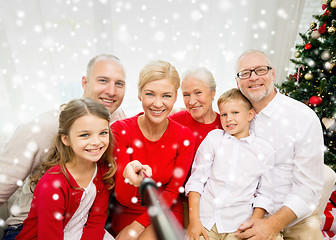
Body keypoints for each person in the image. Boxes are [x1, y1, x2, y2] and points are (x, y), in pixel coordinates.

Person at [0, 54, 127, 240]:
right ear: (84, 82)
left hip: (83, 222)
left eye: (119, 84)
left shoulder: (117, 118)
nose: (111, 91)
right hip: (31, 228)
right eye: (103, 80)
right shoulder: (41, 128)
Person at [234, 49, 324, 240]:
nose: (253, 78)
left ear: (273, 74)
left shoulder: (303, 118)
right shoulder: (234, 116)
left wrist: (272, 224)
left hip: (295, 218)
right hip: (245, 215)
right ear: (237, 82)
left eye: (260, 70)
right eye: (245, 73)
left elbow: (309, 188)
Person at [110, 60, 195, 240]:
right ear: (140, 94)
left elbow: (173, 191)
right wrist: (129, 177)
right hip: (127, 209)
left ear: (174, 97)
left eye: (166, 96)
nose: (158, 104)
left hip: (166, 208)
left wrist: (137, 226)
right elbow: (123, 197)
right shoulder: (120, 131)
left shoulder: (184, 137)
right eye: (150, 94)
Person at [16, 98, 116, 239]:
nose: (96, 142)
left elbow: (96, 221)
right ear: (66, 139)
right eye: (85, 135)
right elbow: (49, 236)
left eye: (103, 133)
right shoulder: (53, 184)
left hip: (81, 233)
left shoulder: (103, 170)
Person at [185, 88, 275, 240]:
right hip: (206, 220)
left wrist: (253, 223)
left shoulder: (264, 150)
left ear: (250, 115)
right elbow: (196, 182)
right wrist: (194, 221)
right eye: (224, 114)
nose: (228, 119)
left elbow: (265, 193)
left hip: (239, 224)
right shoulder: (214, 139)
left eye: (235, 113)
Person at [169, 67, 222, 228]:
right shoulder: (175, 120)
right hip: (181, 201)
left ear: (213, 92)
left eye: (198, 93)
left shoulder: (226, 125)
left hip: (215, 205)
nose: (191, 101)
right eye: (186, 95)